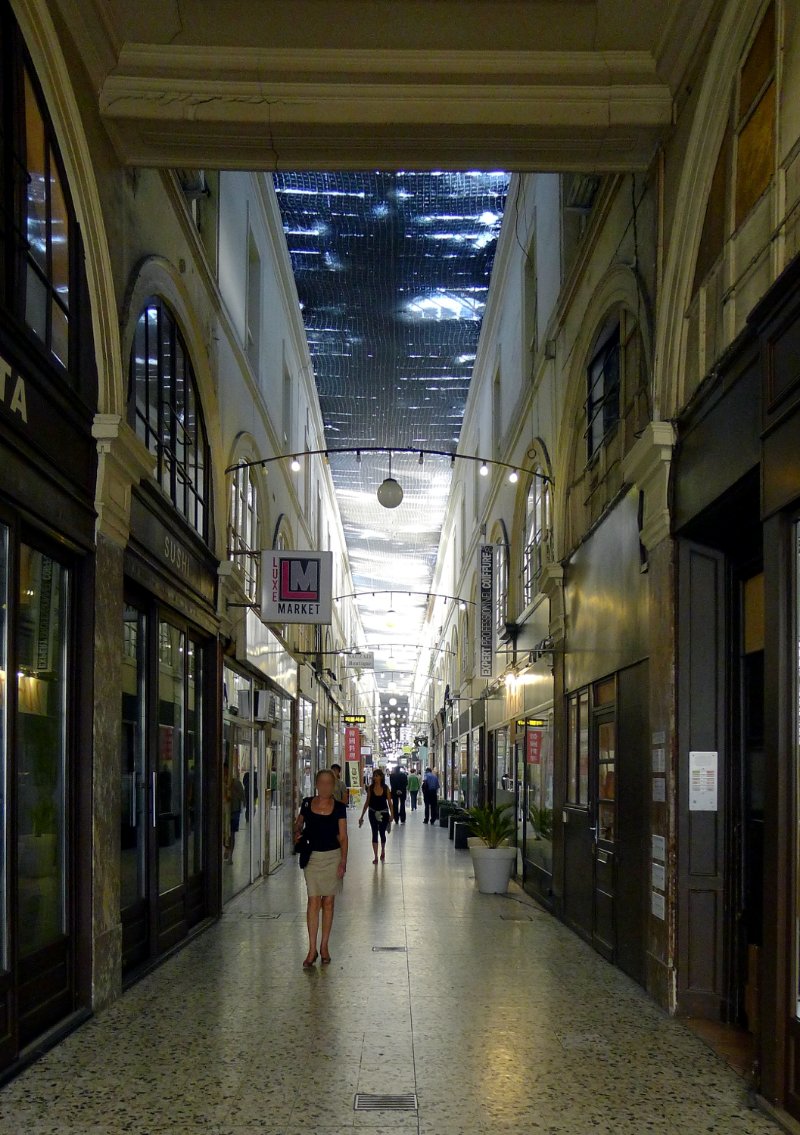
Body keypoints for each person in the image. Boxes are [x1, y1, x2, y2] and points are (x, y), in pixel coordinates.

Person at [293, 769, 348, 967]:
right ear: (316, 784)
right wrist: (297, 831)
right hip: (313, 858)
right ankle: (311, 949)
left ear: (333, 786)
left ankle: (324, 946)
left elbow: (343, 837)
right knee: (313, 901)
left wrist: (343, 862)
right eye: (322, 783)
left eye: (329, 783)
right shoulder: (307, 803)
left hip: (332, 857)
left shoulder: (339, 807)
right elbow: (298, 824)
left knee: (329, 902)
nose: (325, 786)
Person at [358, 767, 393, 863]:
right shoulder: (370, 788)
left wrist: (392, 815)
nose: (375, 778)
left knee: (382, 832)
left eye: (376, 776)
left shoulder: (386, 788)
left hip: (384, 813)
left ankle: (383, 850)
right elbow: (367, 802)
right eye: (374, 776)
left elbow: (390, 803)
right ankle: (376, 856)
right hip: (372, 812)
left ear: (381, 777)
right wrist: (361, 816)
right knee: (374, 832)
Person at [226, 769, 245, 861]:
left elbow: (242, 796)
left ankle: (230, 855)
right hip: (225, 812)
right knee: (224, 833)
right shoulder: (221, 783)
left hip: (234, 811)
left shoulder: (236, 783)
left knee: (232, 833)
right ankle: (227, 848)